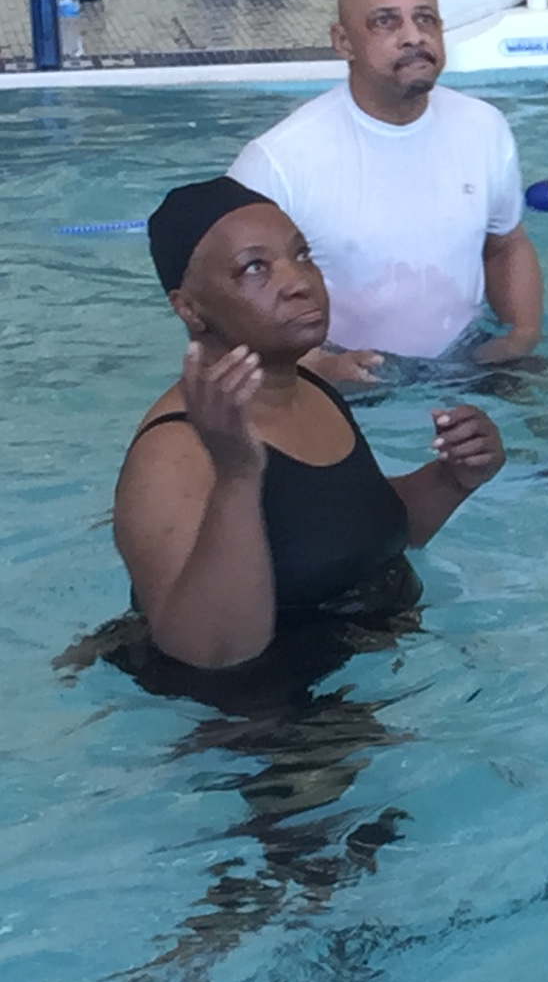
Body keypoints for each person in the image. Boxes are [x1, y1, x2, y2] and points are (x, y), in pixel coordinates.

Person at [111, 177, 504, 678]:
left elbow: (356, 534)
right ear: (190, 308)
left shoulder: (311, 389)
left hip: (366, 673)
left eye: (302, 255)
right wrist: (237, 475)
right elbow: (210, 652)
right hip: (267, 716)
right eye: (255, 268)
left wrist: (454, 477)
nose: (298, 281)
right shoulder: (173, 450)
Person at [231, 0, 542, 376]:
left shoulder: (484, 127)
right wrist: (321, 370)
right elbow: (230, 297)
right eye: (385, 22)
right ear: (343, 42)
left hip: (466, 366)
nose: (413, 36)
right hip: (338, 385)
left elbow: (506, 245)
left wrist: (521, 335)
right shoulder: (278, 161)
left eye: (425, 19)